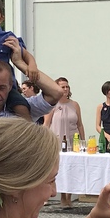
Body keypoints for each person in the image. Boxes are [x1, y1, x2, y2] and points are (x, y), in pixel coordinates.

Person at [0, 59, 64, 138]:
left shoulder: (25, 108)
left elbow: (56, 92)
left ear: (10, 86)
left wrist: (21, 64)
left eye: (2, 88)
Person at [46, 76, 87, 208]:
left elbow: (80, 124)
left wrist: (83, 141)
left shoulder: (74, 104)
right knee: (59, 168)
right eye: (62, 87)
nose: (65, 89)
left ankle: (69, 197)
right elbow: (46, 123)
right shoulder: (52, 105)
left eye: (67, 86)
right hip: (56, 141)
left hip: (72, 141)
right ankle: (60, 196)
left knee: (71, 168)